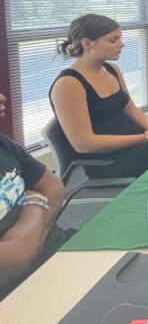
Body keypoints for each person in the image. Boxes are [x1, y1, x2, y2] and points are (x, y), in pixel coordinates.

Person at [49, 14, 148, 179]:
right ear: (87, 43)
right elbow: (83, 144)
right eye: (113, 40)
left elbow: (129, 106)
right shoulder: (68, 84)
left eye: (120, 39)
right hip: (110, 162)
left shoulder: (112, 70)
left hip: (137, 146)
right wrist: (145, 137)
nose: (121, 44)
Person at [0, 92, 68, 300]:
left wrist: (29, 243)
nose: (3, 97)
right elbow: (12, 261)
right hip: (16, 294)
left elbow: (54, 188)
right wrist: (35, 204)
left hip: (55, 248)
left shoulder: (2, 143)